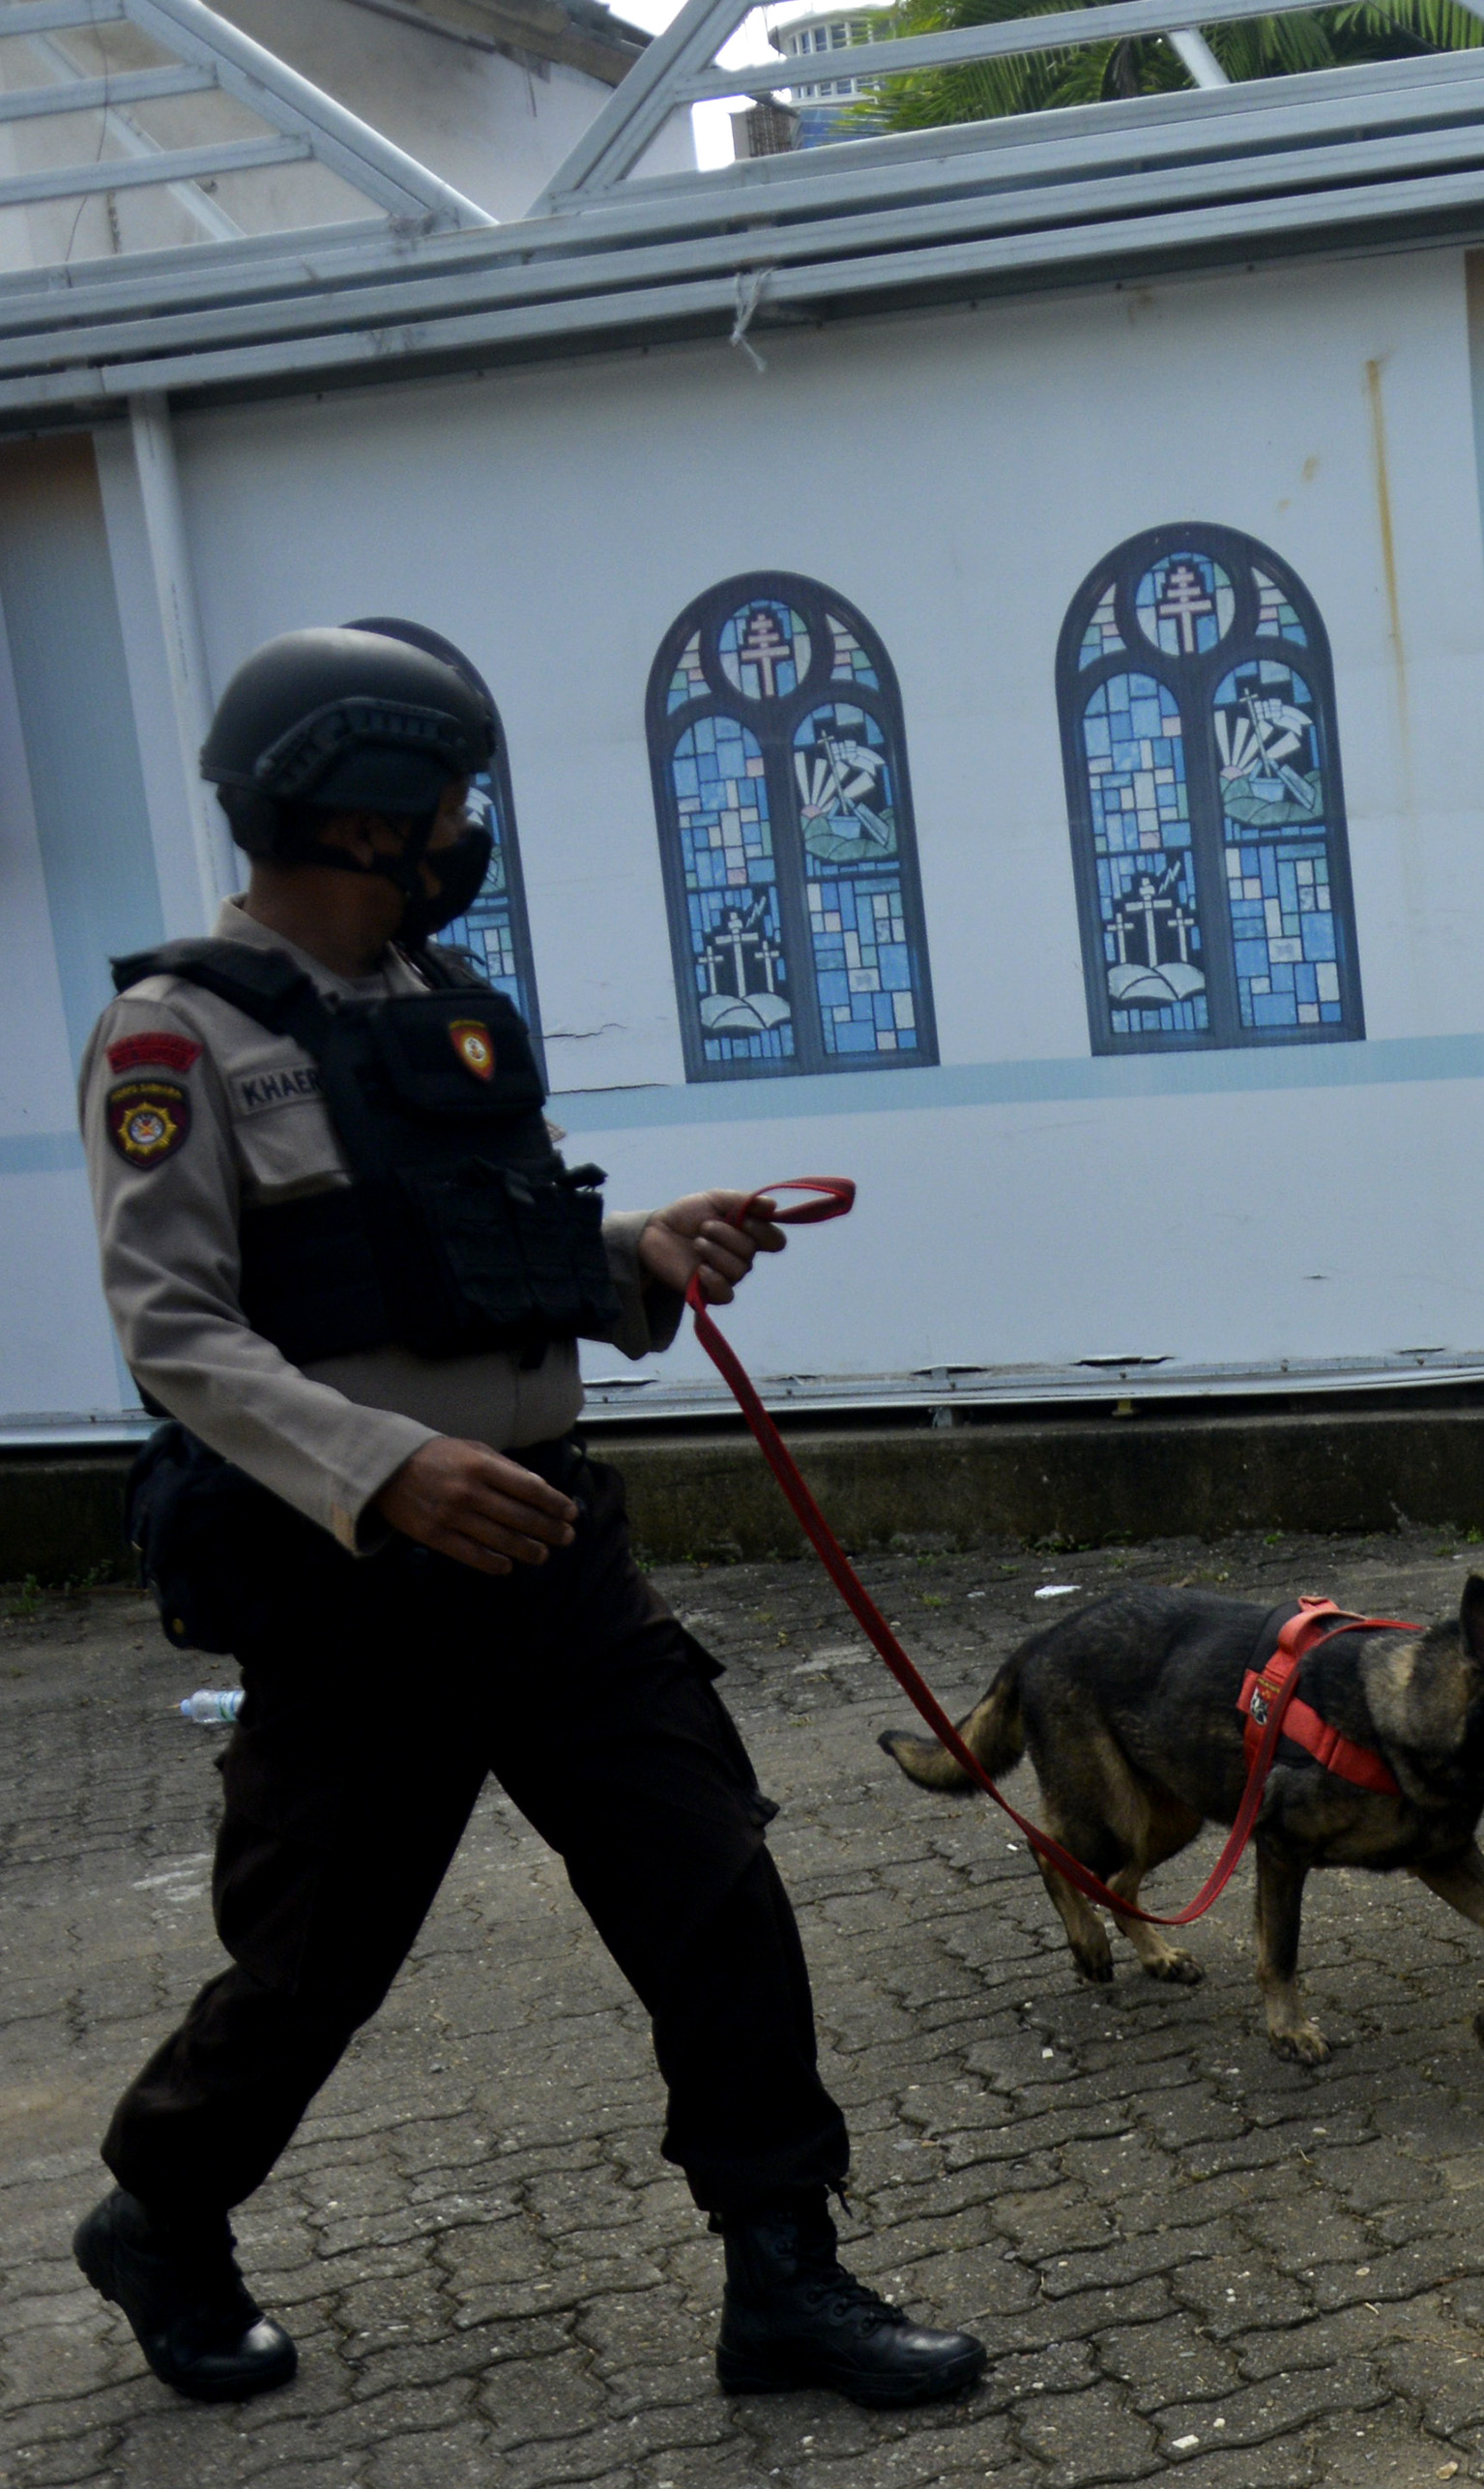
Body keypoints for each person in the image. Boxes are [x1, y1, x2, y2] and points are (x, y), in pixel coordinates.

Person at [71, 628, 983, 2411]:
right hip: (357, 1589)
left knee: (710, 1881)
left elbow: (488, 1256)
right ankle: (161, 2212)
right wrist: (381, 1467)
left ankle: (783, 2271)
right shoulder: (175, 1033)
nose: (471, 824)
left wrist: (639, 1257)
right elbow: (174, 1328)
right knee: (317, 1959)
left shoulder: (444, 1004)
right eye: (456, 792)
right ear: (370, 799)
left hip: (558, 1554)